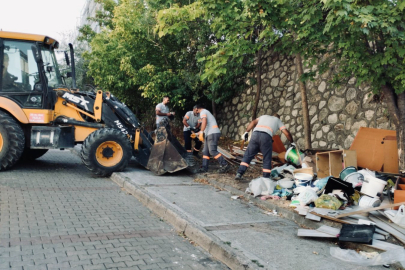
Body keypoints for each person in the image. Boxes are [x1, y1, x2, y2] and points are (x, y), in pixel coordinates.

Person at [235, 114, 294, 180]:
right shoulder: (277, 120)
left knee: (248, 155)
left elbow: (253, 122)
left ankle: (239, 173)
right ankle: (266, 178)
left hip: (255, 135)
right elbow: (286, 133)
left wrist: (246, 132)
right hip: (266, 137)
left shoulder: (263, 116)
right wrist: (292, 142)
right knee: (266, 158)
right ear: (278, 118)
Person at [195, 104, 230, 173]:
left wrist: (201, 132)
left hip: (212, 133)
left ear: (196, 109)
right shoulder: (205, 113)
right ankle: (204, 168)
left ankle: (225, 164)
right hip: (209, 134)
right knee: (205, 151)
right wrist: (196, 134)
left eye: (195, 110)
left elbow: (204, 122)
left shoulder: (203, 112)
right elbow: (205, 126)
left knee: (212, 151)